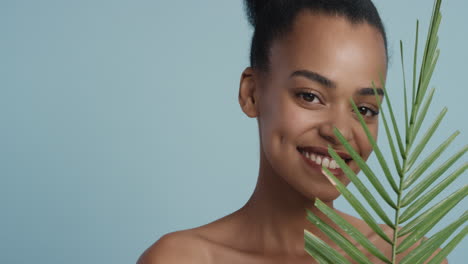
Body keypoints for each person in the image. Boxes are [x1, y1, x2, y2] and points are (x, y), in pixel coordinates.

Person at [138, 0, 447, 263]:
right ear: (252, 93)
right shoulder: (181, 259)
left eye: (365, 109)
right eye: (310, 96)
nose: (339, 132)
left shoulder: (409, 257)